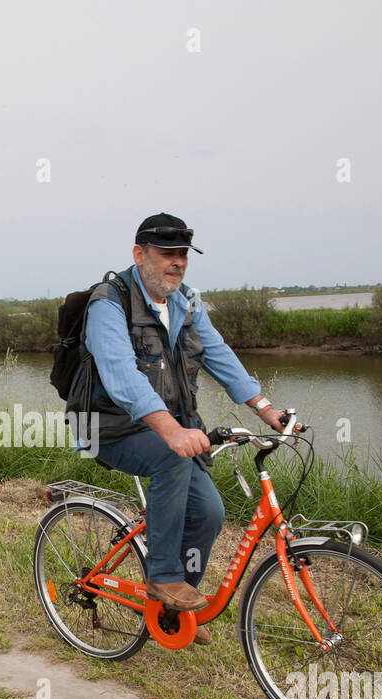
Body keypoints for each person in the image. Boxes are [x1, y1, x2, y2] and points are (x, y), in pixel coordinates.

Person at [78, 213, 294, 646]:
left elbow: (219, 355)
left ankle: (173, 609)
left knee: (210, 514)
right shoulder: (108, 302)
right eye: (166, 254)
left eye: (182, 256)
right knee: (170, 459)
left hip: (170, 427)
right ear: (139, 255)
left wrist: (264, 407)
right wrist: (172, 431)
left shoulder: (185, 300)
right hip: (110, 426)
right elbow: (122, 375)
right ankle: (164, 577)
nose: (176, 263)